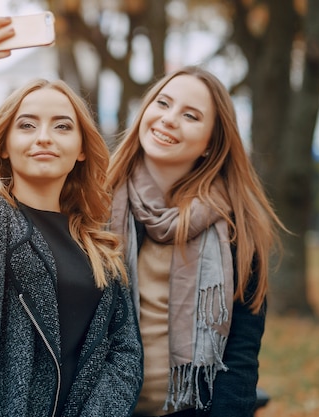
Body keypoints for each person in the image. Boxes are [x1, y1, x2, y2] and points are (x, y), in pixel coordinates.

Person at [0, 13, 143, 417]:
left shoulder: (99, 243)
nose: (44, 137)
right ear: (5, 144)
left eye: (62, 126)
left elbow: (124, 350)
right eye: (27, 125)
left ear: (82, 148)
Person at [107, 66, 285, 417]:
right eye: (163, 103)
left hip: (192, 409)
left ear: (210, 145)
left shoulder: (237, 228)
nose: (170, 119)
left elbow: (240, 354)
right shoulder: (94, 206)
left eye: (190, 115)